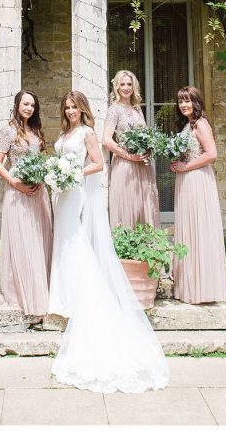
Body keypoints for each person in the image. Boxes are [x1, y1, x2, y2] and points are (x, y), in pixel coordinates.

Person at [49, 91, 168, 393]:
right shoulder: (65, 133)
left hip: (75, 191)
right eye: (67, 107)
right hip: (62, 194)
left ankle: (78, 297)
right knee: (63, 243)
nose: (71, 110)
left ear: (83, 109)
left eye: (75, 106)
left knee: (75, 244)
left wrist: (71, 171)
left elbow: (98, 164)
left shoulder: (88, 132)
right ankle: (62, 296)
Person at [0, 90, 53, 318]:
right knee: (23, 239)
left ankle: (40, 288)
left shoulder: (36, 131)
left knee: (39, 239)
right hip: (17, 190)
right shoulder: (7, 130)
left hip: (38, 192)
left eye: (32, 105)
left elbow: (41, 159)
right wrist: (14, 182)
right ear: (17, 104)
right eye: (25, 104)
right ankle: (22, 292)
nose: (29, 108)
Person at [170, 86, 226, 304]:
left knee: (199, 228)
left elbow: (212, 154)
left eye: (187, 101)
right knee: (188, 228)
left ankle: (203, 288)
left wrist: (186, 166)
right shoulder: (188, 125)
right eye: (180, 101)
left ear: (196, 102)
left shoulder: (202, 124)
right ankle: (190, 286)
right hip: (186, 179)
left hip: (197, 179)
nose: (183, 105)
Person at [102, 70, 160, 229]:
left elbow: (145, 134)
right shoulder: (114, 109)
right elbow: (106, 140)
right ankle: (126, 247)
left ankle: (146, 247)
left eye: (129, 84)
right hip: (125, 164)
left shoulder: (137, 108)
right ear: (117, 87)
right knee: (128, 204)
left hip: (143, 165)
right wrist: (129, 156)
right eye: (122, 84)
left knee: (143, 203)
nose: (126, 87)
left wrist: (148, 148)